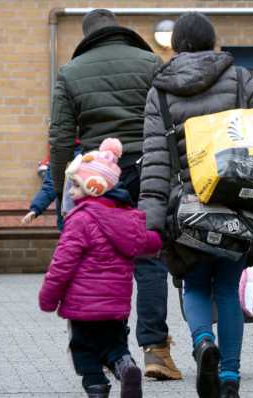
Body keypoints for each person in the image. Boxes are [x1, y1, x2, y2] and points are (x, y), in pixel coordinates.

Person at [138, 12, 253, 398]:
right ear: (212, 41)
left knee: (195, 285)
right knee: (229, 287)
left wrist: (150, 220)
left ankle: (203, 344)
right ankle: (230, 379)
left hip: (185, 207)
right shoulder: (240, 78)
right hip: (235, 202)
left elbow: (155, 160)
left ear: (176, 45)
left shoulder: (160, 91)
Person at [47, 9, 182, 380]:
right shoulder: (150, 62)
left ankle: (115, 350)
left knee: (100, 259)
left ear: (87, 36)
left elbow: (60, 137)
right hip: (149, 168)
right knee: (150, 258)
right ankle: (155, 350)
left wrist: (63, 190)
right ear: (120, 30)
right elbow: (172, 121)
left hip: (97, 175)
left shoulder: (70, 72)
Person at [38, 139, 163, 398]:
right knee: (114, 346)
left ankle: (96, 390)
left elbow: (62, 264)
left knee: (83, 350)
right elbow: (146, 242)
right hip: (115, 308)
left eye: (75, 185)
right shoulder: (127, 219)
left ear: (93, 187)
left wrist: (48, 297)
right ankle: (125, 366)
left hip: (82, 307)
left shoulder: (79, 220)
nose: (70, 193)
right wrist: (159, 239)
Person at [22, 142, 82, 231]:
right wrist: (35, 209)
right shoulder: (59, 154)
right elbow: (50, 185)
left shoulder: (90, 153)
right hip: (66, 220)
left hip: (86, 217)